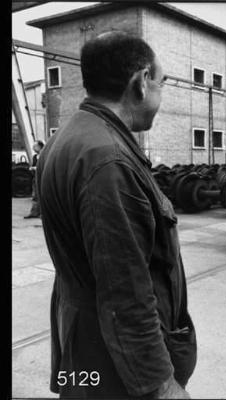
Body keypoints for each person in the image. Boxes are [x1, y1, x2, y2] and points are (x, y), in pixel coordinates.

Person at [36, 31, 196, 398]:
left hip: (83, 344)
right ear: (140, 83)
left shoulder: (69, 138)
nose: (160, 93)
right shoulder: (107, 159)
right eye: (162, 82)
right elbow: (125, 293)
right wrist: (161, 386)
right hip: (111, 365)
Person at [24, 140, 45, 219]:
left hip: (43, 178)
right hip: (35, 178)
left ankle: (43, 214)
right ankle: (34, 212)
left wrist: (36, 168)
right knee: (35, 196)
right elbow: (33, 165)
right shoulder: (35, 156)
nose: (33, 148)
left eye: (35, 146)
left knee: (43, 195)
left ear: (40, 146)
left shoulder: (44, 155)